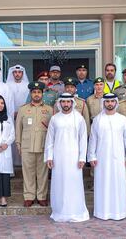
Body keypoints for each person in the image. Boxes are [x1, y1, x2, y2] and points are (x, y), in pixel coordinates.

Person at [88, 93, 126, 220]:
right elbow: (93, 139)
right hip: (101, 159)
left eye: (112, 101)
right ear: (103, 103)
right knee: (102, 184)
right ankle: (102, 212)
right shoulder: (97, 120)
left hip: (118, 158)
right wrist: (91, 156)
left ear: (116, 103)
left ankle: (118, 212)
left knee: (118, 184)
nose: (110, 104)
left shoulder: (122, 119)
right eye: (107, 102)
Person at [44, 93, 89, 222]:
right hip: (59, 157)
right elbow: (50, 140)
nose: (66, 104)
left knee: (74, 184)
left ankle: (76, 211)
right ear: (60, 103)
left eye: (68, 102)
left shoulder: (79, 118)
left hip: (74, 158)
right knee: (60, 184)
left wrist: (82, 158)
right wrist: (49, 157)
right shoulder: (54, 119)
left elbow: (83, 139)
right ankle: (60, 211)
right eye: (63, 102)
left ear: (72, 103)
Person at [16, 82, 53, 207]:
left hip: (43, 146)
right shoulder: (23, 109)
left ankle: (42, 196)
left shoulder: (49, 109)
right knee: (28, 172)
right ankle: (29, 196)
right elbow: (18, 128)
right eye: (34, 92)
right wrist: (18, 144)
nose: (36, 94)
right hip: (27, 146)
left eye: (38, 92)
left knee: (42, 173)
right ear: (31, 94)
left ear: (42, 94)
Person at [6, 65, 29, 166]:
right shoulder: (7, 85)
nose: (17, 74)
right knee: (12, 137)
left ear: (22, 74)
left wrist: (21, 112)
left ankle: (23, 161)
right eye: (15, 72)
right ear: (12, 74)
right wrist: (12, 112)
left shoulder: (28, 85)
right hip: (11, 116)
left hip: (25, 116)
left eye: (19, 72)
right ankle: (13, 162)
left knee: (23, 137)